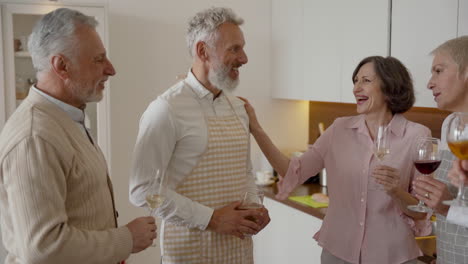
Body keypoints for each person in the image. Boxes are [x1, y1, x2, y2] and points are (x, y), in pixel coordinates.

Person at [0, 8, 157, 264]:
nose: (111, 69)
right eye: (98, 59)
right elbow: (43, 247)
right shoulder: (35, 136)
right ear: (62, 66)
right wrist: (127, 239)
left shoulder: (68, 119)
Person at [241, 56, 432, 264]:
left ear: (390, 86)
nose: (356, 88)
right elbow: (293, 170)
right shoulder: (339, 129)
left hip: (392, 255)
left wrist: (396, 191)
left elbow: (421, 211)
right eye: (355, 81)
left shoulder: (417, 136)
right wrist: (257, 130)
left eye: (366, 81)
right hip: (338, 253)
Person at [129, 7, 270, 264]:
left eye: (243, 48)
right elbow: (142, 189)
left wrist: (254, 206)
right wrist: (212, 219)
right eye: (234, 49)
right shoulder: (166, 109)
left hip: (238, 251)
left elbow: (245, 171)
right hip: (188, 253)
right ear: (203, 51)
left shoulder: (238, 107)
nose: (245, 58)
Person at [413, 36, 468, 263]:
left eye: (438, 71)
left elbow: (450, 206)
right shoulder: (451, 125)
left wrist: (447, 208)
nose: (429, 83)